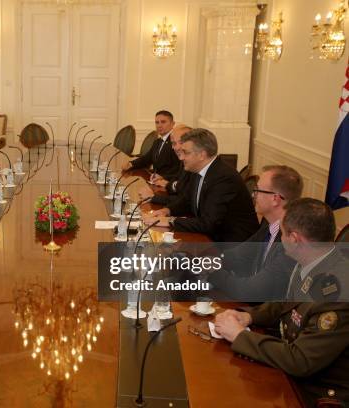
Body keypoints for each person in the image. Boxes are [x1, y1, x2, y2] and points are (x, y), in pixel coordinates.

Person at [214, 198, 349, 406]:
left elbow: (301, 360)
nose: (280, 239)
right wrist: (249, 315)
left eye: (282, 234)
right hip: (290, 366)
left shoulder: (335, 294)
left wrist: (240, 336)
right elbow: (286, 304)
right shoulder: (311, 260)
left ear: (295, 239)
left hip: (315, 392)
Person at [144, 128, 259, 242]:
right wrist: (167, 211)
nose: (182, 157)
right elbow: (187, 201)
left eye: (186, 152)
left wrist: (170, 221)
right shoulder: (198, 169)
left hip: (233, 244)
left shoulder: (223, 177)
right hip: (211, 236)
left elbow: (209, 223)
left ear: (202, 155)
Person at [207, 165, 303, 300]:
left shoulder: (291, 242)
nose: (253, 195)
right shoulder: (269, 224)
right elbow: (238, 256)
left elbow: (249, 291)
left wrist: (214, 273)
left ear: (275, 199)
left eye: (257, 190)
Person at [137, 124, 193, 206]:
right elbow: (179, 182)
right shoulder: (184, 161)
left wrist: (153, 197)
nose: (176, 148)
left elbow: (185, 201)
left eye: (181, 142)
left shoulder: (195, 166)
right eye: (173, 143)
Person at [121, 110, 181, 180]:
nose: (159, 125)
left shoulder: (176, 142)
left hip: (167, 183)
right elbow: (146, 159)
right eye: (157, 122)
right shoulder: (158, 142)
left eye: (163, 122)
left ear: (172, 124)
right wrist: (131, 164)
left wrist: (163, 178)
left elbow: (178, 170)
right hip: (155, 179)